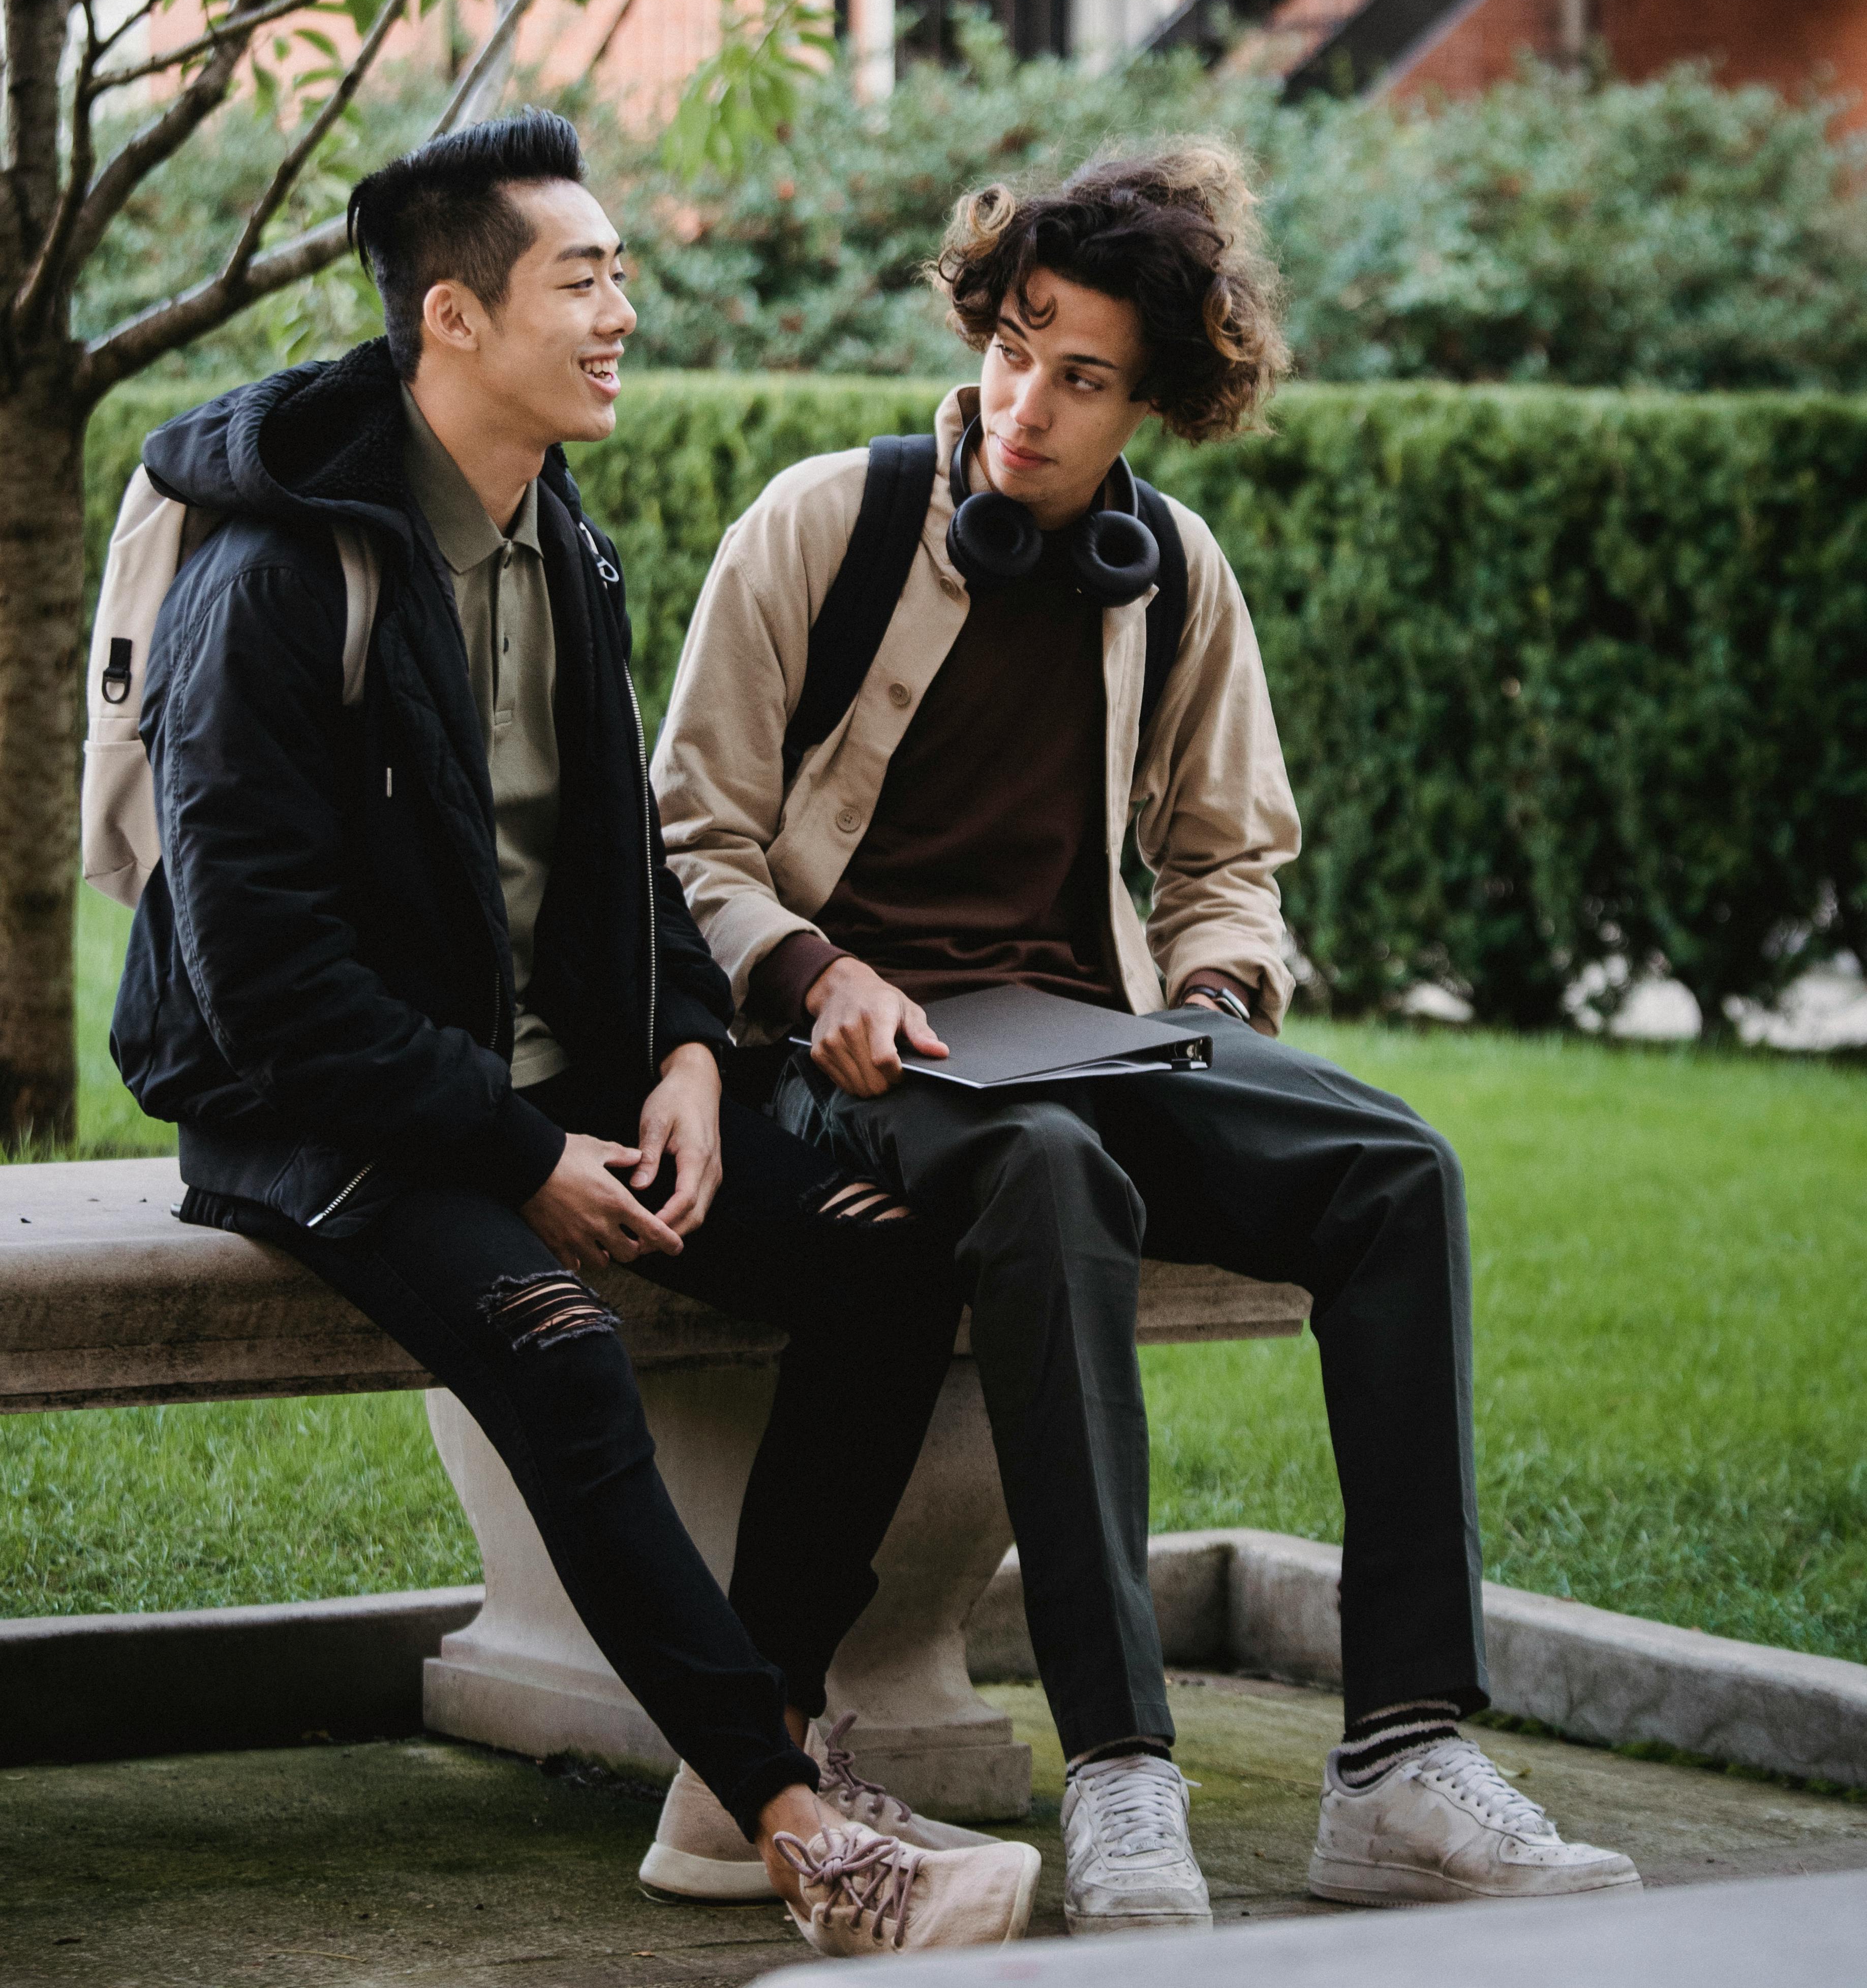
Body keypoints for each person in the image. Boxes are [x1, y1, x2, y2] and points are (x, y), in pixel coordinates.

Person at [650, 147, 1641, 1932]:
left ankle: (1398, 1757)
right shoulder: (822, 524)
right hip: (857, 1067)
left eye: (1081, 377)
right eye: (1011, 348)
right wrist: (813, 975)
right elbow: (689, 837)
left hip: (1094, 1041)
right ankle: (1120, 1766)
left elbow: (1225, 859)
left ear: (1153, 402)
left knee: (1394, 1170)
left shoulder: (1169, 571)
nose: (1023, 405)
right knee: (1043, 1171)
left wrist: (1208, 1013)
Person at [108, 109, 1042, 1959]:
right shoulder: (281, 575)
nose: (624, 312)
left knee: (889, 1258)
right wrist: (521, 1151)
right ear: (453, 317)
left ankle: (742, 1756)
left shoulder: (564, 542)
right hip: (319, 1106)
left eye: (622, 273)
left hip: (558, 1084)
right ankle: (809, 1843)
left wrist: (688, 1053)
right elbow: (264, 980)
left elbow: (623, 863)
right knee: (561, 1346)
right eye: (584, 279)